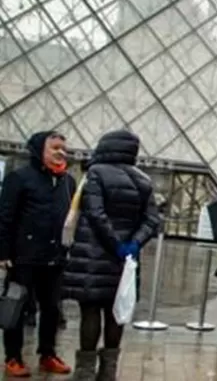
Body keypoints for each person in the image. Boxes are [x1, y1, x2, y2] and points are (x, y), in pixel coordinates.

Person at [62, 129, 162, 381]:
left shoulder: (95, 173)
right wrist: (133, 244)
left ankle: (84, 372)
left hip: (93, 255)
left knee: (91, 310)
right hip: (126, 260)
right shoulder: (143, 180)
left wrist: (113, 242)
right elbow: (152, 219)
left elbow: (95, 213)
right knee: (116, 312)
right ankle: (108, 372)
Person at [0, 131, 76, 377]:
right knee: (17, 307)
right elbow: (5, 218)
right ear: (38, 150)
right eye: (54, 147)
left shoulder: (68, 182)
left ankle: (47, 353)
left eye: (63, 148)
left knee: (52, 309)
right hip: (24, 256)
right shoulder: (19, 178)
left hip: (55, 257)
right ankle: (13, 357)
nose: (60, 152)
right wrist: (3, 252)